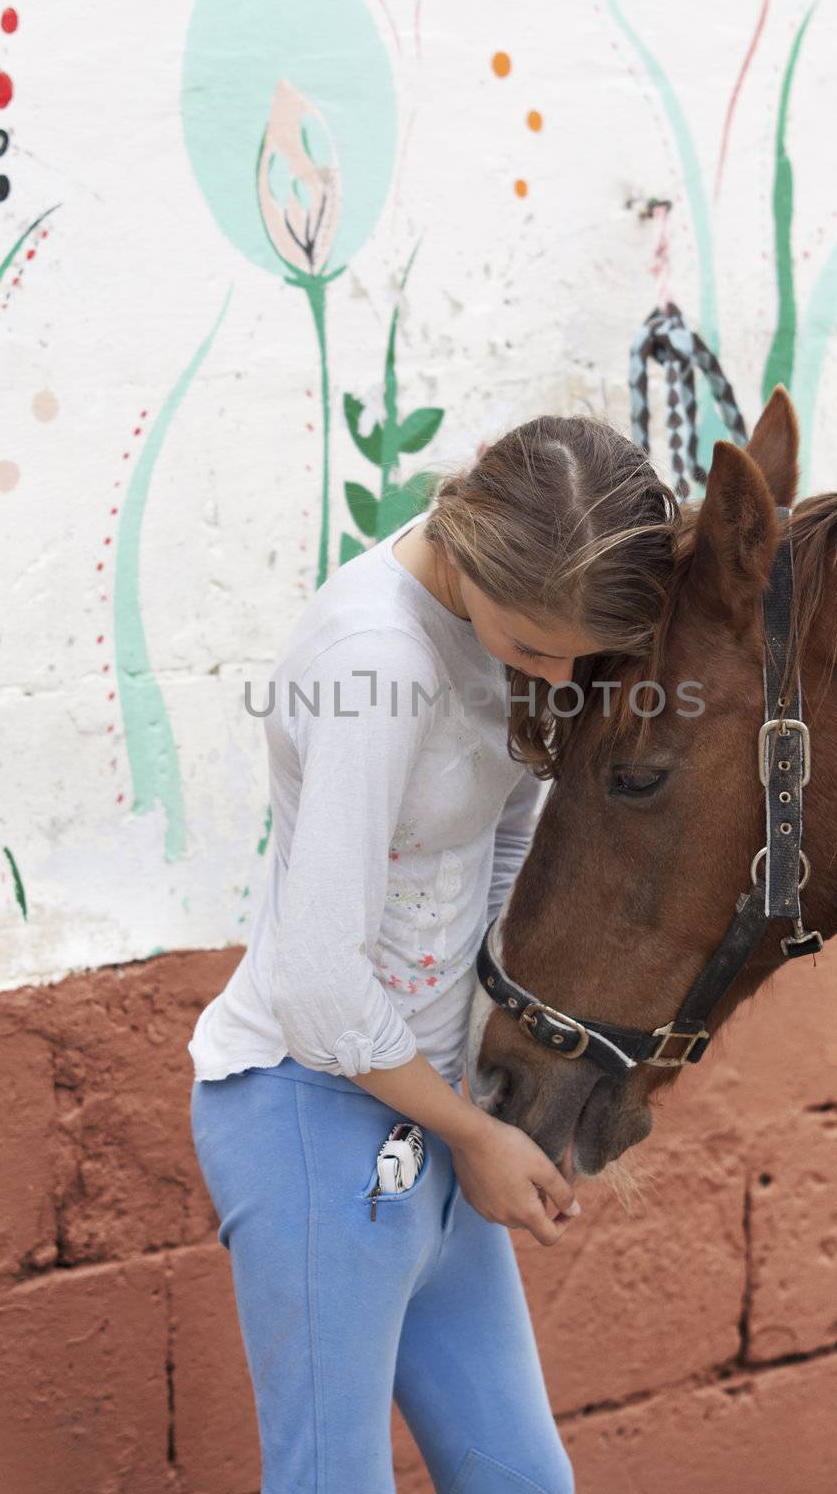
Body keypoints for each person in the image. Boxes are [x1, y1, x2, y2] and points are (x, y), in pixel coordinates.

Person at [186, 413, 679, 1494]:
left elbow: (506, 833)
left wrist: (483, 1085)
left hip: (422, 1114)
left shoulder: (506, 603)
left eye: (578, 656)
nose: (558, 673)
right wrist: (470, 1129)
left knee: (520, 1481)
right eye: (537, 648)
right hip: (311, 1114)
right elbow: (319, 982)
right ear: (467, 552)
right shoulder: (378, 661)